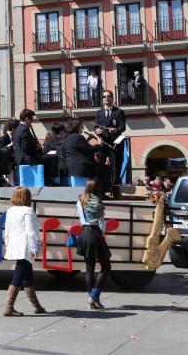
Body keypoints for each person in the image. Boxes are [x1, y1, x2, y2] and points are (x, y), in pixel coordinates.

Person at [2, 186, 46, 316]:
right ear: (27, 198)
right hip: (25, 246)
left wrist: (8, 245)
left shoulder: (10, 211)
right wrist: (34, 248)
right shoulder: (28, 211)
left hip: (15, 246)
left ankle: (37, 306)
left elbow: (8, 231)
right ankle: (8, 307)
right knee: (18, 277)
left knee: (27, 277)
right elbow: (31, 232)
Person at [77, 179, 112, 309]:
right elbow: (101, 223)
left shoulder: (80, 200)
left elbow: (81, 218)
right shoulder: (98, 201)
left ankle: (91, 299)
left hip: (83, 233)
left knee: (89, 267)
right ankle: (93, 296)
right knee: (106, 266)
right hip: (94, 233)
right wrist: (101, 234)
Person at [94, 90, 127, 191]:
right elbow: (96, 126)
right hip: (103, 143)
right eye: (104, 97)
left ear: (112, 98)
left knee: (115, 166)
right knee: (100, 164)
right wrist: (97, 131)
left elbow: (123, 127)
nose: (106, 98)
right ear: (102, 99)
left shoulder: (119, 112)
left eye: (108, 96)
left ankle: (114, 187)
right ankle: (101, 188)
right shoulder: (99, 112)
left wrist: (116, 129)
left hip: (114, 144)